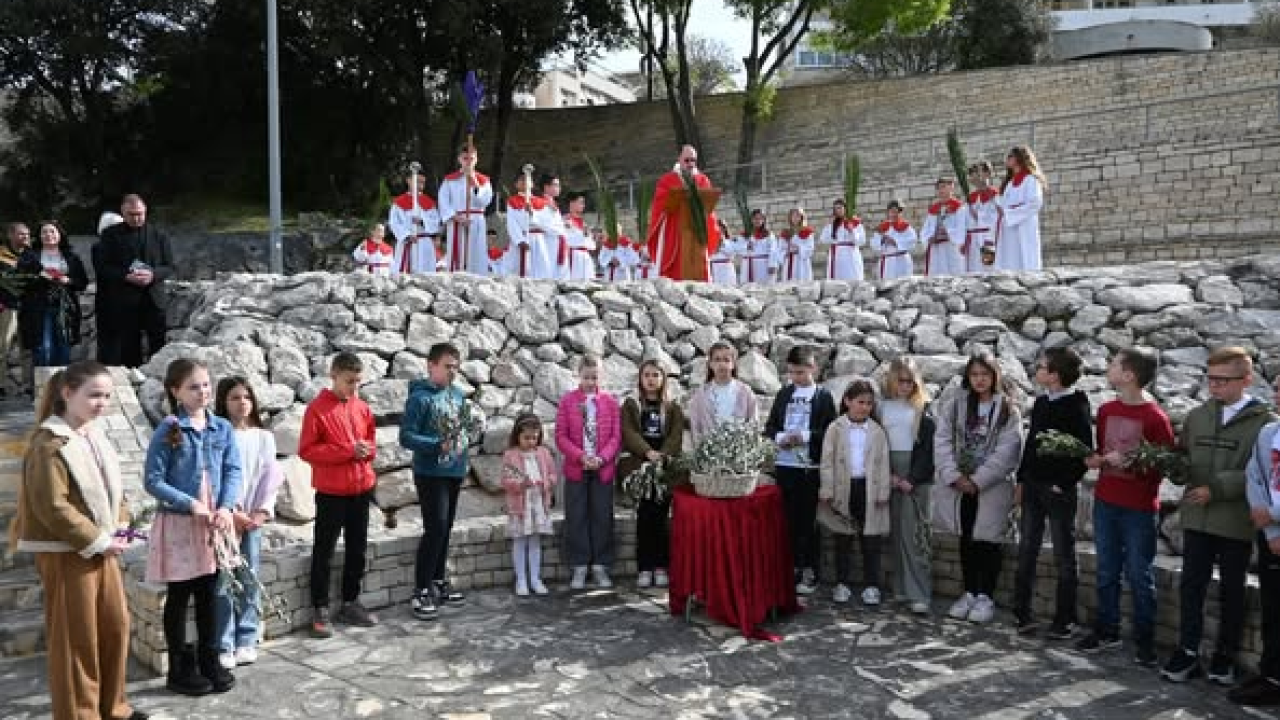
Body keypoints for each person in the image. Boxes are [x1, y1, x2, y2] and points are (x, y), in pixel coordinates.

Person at [16, 361, 148, 720]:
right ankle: (81, 714)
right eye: (94, 395)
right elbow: (52, 507)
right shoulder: (48, 444)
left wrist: (120, 525)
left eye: (107, 396)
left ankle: (113, 708)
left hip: (102, 549)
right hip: (67, 554)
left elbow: (113, 492)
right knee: (78, 640)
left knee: (114, 627)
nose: (101, 403)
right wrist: (97, 539)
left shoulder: (93, 435)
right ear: (67, 392)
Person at [1162, 347, 1276, 685]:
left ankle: (1225, 656)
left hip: (1236, 521)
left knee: (1232, 590)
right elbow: (1184, 455)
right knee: (1191, 586)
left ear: (1247, 380)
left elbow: (1259, 473)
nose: (1215, 387)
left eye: (1223, 381)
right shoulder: (1198, 416)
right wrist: (1172, 466)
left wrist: (1217, 488)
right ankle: (1188, 650)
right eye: (1210, 379)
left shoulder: (1266, 424)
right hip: (1197, 518)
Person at [143, 358, 242, 696]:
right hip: (180, 525)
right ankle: (180, 669)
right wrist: (190, 504)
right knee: (180, 595)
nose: (202, 392)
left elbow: (232, 470)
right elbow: (153, 480)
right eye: (193, 387)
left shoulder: (222, 428)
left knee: (209, 593)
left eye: (205, 385)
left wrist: (226, 507)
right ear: (175, 391)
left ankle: (209, 660)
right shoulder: (169, 428)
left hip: (213, 526)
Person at [1074, 348, 1174, 665]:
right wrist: (1095, 460)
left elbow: (1165, 464)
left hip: (1139, 509)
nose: (1108, 366)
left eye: (1114, 363)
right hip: (1106, 502)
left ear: (1129, 375)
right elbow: (1104, 452)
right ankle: (1108, 630)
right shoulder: (1105, 410)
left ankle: (1145, 642)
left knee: (1139, 574)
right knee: (1106, 570)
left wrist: (1131, 462)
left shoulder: (1155, 417)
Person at [933, 351, 1024, 625]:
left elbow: (1009, 449)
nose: (980, 380)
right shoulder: (956, 405)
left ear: (994, 376)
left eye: (985, 374)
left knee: (988, 541)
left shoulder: (1008, 409)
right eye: (974, 375)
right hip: (960, 485)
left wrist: (979, 479)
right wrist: (953, 475)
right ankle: (969, 591)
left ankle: (986, 595)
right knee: (967, 538)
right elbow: (943, 440)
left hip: (990, 486)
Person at [1012, 348, 1093, 638]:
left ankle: (1065, 618)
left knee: (1063, 554)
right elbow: (1031, 445)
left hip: (1058, 491)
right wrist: (1021, 480)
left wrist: (1064, 483)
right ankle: (1022, 613)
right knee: (1027, 550)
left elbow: (1084, 450)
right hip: (1034, 486)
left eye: (1042, 367)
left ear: (1056, 374)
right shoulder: (1042, 402)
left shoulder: (1076, 404)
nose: (1037, 371)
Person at [300, 352, 378, 637]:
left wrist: (368, 452)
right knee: (325, 551)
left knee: (357, 549)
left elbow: (371, 441)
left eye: (358, 382)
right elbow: (306, 450)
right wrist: (347, 452)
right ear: (333, 375)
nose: (354, 388)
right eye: (349, 381)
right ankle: (320, 609)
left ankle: (350, 601)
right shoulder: (316, 409)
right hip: (331, 492)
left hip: (361, 489)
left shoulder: (362, 408)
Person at [213, 377, 282, 670]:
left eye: (246, 397)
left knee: (249, 577)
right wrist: (230, 511)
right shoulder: (217, 434)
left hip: (253, 517)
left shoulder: (263, 437)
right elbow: (216, 476)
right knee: (224, 579)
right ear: (222, 403)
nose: (241, 403)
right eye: (234, 398)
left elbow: (270, 476)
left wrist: (261, 512)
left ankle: (247, 637)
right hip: (227, 517)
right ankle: (224, 642)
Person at [400, 343, 472, 621]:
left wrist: (464, 440)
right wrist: (436, 445)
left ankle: (439, 581)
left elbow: (463, 427)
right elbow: (406, 437)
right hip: (430, 473)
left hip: (454, 470)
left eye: (456, 366)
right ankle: (421, 589)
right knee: (436, 527)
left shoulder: (457, 395)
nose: (452, 372)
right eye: (447, 366)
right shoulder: (419, 398)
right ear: (431, 365)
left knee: (447, 527)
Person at [764, 345, 837, 596]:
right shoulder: (783, 395)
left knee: (809, 521)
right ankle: (792, 566)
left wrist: (805, 436)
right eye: (793, 372)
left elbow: (830, 431)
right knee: (788, 520)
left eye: (802, 372)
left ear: (813, 368)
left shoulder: (823, 396)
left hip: (810, 467)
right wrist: (782, 437)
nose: (797, 377)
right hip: (786, 466)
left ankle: (810, 569)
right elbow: (770, 427)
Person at [819, 379, 892, 606]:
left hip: (867, 489)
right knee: (843, 536)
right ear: (847, 401)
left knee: (871, 539)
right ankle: (842, 582)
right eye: (860, 402)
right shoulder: (835, 428)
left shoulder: (877, 431)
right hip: (844, 487)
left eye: (869, 403)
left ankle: (872, 584)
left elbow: (883, 463)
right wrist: (827, 487)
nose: (864, 407)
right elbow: (827, 461)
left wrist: (883, 491)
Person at [555, 355, 622, 590]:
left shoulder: (611, 402)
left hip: (602, 469)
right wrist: (580, 456)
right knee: (577, 516)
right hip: (577, 468)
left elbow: (616, 436)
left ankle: (601, 566)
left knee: (602, 516)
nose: (590, 381)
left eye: (594, 377)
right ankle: (579, 565)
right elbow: (561, 436)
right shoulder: (567, 401)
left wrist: (602, 457)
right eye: (586, 377)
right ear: (578, 375)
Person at [1233, 376, 1280, 707]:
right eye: (1276, 387)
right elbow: (1255, 476)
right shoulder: (1269, 433)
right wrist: (1272, 528)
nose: (1276, 393)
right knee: (1273, 610)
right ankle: (1271, 676)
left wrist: (1275, 515)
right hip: (1271, 536)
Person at [876, 357, 936, 615]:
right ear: (891, 379)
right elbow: (877, 444)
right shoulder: (881, 407)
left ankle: (919, 592)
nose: (905, 385)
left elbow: (929, 450)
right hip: (890, 472)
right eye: (901, 380)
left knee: (914, 536)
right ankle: (901, 589)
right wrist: (887, 474)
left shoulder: (925, 408)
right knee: (895, 534)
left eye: (910, 381)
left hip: (916, 476)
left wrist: (911, 479)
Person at [619, 360, 686, 589]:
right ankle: (645, 567)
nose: (650, 379)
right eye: (646, 375)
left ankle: (661, 566)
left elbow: (676, 436)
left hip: (664, 468)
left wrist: (662, 455)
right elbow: (629, 432)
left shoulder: (672, 407)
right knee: (645, 517)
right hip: (641, 466)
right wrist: (647, 453)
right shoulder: (631, 404)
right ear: (640, 378)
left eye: (655, 375)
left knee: (661, 518)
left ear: (663, 379)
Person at [94, 194, 174, 367]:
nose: (137, 218)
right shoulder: (109, 236)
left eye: (140, 214)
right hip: (125, 301)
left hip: (154, 299)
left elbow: (170, 266)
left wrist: (153, 275)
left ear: (145, 212)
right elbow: (103, 267)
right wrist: (125, 276)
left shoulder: (159, 235)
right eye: (132, 214)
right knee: (129, 347)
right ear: (123, 212)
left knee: (158, 343)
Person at [17, 221, 89, 368]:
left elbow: (82, 282)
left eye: (52, 231)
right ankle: (41, 387)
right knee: (43, 348)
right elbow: (21, 281)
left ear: (60, 235)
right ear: (39, 236)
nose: (48, 235)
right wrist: (42, 278)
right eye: (44, 232)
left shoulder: (71, 257)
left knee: (64, 347)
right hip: (38, 307)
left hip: (65, 307)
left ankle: (61, 386)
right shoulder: (29, 256)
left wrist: (68, 280)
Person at [644, 144, 721, 281]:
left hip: (696, 231)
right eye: (687, 160)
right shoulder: (667, 180)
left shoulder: (703, 180)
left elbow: (709, 207)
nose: (690, 164)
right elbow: (659, 203)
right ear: (679, 159)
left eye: (693, 160)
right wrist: (676, 198)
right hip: (675, 231)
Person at [501, 413, 556, 597]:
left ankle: (535, 578)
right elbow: (506, 481)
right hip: (520, 507)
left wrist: (545, 483)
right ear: (517, 435)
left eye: (535, 437)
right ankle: (521, 580)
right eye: (526, 438)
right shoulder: (511, 455)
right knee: (519, 542)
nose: (531, 441)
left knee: (535, 542)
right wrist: (521, 484)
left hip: (538, 506)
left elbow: (553, 475)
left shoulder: (543, 453)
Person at [438, 144, 494, 275]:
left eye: (471, 158)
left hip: (476, 221)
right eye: (465, 158)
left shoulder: (484, 181)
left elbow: (485, 201)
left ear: (476, 159)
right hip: (457, 220)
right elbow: (443, 201)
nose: (468, 161)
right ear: (459, 159)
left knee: (476, 253)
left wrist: (474, 182)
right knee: (458, 254)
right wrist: (455, 217)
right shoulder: (450, 180)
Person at [688, 341, 759, 443]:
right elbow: (695, 428)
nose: (722, 364)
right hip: (709, 452)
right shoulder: (701, 395)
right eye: (717, 360)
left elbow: (754, 423)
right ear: (710, 364)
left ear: (733, 364)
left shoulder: (745, 392)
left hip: (740, 451)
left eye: (726, 360)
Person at [994, 145, 1046, 272]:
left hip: (1024, 226)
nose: (1007, 159)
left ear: (1019, 158)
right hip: (1009, 228)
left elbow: (1035, 202)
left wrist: (1010, 212)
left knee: (1025, 257)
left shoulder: (1031, 179)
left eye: (1010, 156)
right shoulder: (1010, 183)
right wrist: (999, 205)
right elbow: (1004, 204)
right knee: (1010, 259)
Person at [387, 171, 441, 275]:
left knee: (426, 272)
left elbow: (436, 222)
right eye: (417, 181)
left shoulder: (429, 202)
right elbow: (394, 222)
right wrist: (407, 235)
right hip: (408, 242)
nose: (420, 185)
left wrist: (423, 221)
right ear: (408, 181)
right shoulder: (399, 202)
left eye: (422, 182)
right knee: (406, 272)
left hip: (424, 242)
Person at [505, 172, 555, 279]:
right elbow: (512, 222)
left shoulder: (541, 202)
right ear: (516, 184)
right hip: (522, 239)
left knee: (540, 270)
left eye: (528, 179)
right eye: (522, 179)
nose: (525, 182)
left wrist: (533, 214)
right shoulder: (512, 201)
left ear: (532, 184)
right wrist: (520, 240)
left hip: (538, 240)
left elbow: (547, 222)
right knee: (518, 269)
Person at [0, 222, 31, 391]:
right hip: (6, 308)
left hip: (28, 308)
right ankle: (1, 385)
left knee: (27, 348)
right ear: (10, 235)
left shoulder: (31, 255)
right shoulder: (1, 254)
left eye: (27, 234)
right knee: (2, 347)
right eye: (21, 234)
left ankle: (27, 385)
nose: (25, 237)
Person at [91, 213, 122, 365]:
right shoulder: (98, 247)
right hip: (107, 299)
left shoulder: (127, 244)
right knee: (108, 340)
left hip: (126, 299)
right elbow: (104, 271)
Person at [921, 178, 967, 277]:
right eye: (938, 188)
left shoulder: (959, 207)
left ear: (951, 188)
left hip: (951, 247)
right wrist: (929, 237)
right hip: (936, 249)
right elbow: (925, 229)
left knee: (954, 275)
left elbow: (962, 227)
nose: (940, 190)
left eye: (943, 187)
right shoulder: (933, 209)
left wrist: (948, 233)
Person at [820, 199, 866, 282]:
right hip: (836, 256)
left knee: (851, 278)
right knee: (836, 281)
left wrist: (852, 230)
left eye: (840, 208)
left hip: (850, 255)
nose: (838, 211)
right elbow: (823, 239)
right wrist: (828, 225)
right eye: (836, 209)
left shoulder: (855, 222)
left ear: (845, 208)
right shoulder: (833, 223)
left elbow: (862, 241)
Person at [964, 162, 998, 274]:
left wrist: (979, 216)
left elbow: (998, 217)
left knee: (989, 270)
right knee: (974, 272)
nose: (975, 176)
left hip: (988, 237)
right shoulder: (971, 198)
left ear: (988, 173)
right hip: (973, 240)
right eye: (972, 174)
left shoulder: (995, 195)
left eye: (978, 172)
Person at [870, 200, 916, 281]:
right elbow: (873, 243)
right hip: (887, 263)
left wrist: (895, 242)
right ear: (888, 213)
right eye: (891, 212)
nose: (894, 214)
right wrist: (882, 240)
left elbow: (912, 241)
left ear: (900, 213)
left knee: (902, 285)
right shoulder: (882, 227)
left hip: (901, 261)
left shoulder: (906, 227)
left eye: (896, 212)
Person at [776, 208, 815, 283]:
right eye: (793, 216)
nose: (795, 218)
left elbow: (810, 248)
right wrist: (786, 251)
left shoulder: (807, 231)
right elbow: (779, 249)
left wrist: (798, 249)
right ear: (790, 218)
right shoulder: (785, 232)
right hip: (788, 262)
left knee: (802, 284)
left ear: (801, 217)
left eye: (797, 216)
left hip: (801, 263)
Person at [562, 193, 596, 281]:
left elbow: (591, 245)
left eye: (583, 203)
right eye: (581, 202)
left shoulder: (584, 223)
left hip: (585, 257)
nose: (583, 206)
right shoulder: (565, 220)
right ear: (572, 203)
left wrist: (589, 235)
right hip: (573, 255)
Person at [740, 209, 775, 286]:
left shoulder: (768, 234)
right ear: (752, 220)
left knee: (763, 287)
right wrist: (746, 247)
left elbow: (773, 250)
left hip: (763, 265)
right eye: (755, 218)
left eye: (760, 218)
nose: (757, 221)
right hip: (748, 264)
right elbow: (738, 249)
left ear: (763, 220)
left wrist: (772, 265)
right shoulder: (746, 234)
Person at [708, 220, 739, 286]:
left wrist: (721, 247)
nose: (720, 230)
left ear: (725, 229)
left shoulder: (730, 241)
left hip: (726, 268)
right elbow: (708, 255)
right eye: (718, 228)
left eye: (722, 228)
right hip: (715, 267)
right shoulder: (709, 242)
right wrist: (714, 249)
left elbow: (732, 255)